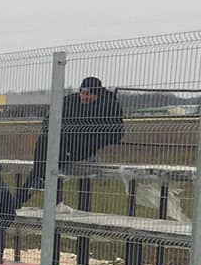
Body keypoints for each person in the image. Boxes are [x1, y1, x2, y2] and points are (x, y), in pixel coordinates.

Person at [20, 76, 126, 210]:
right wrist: (59, 133)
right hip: (60, 145)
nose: (84, 97)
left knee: (49, 162)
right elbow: (48, 121)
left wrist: (89, 143)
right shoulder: (69, 101)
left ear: (97, 94)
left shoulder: (109, 105)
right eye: (82, 93)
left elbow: (117, 133)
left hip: (82, 150)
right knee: (45, 142)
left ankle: (25, 196)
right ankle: (36, 191)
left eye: (88, 94)